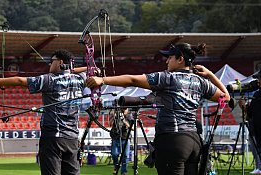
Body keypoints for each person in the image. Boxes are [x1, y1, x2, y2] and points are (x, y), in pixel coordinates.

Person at [86, 43, 230, 175]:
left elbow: (133, 80)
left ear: (180, 59)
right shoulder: (200, 81)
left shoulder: (167, 78)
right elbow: (226, 97)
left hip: (172, 140)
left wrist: (102, 80)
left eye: (170, 57)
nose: (167, 61)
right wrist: (210, 74)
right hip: (194, 141)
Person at [0, 49, 87, 175]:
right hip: (72, 139)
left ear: (60, 62)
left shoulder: (49, 80)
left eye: (51, 61)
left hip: (53, 138)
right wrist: (68, 69)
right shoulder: (81, 79)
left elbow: (20, 81)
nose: (49, 64)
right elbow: (90, 70)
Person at [239, 70, 261, 174]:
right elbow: (249, 115)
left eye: (259, 78)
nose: (258, 81)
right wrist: (243, 107)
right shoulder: (257, 94)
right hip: (257, 133)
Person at [109, 108, 132, 175]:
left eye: (125, 109)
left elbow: (132, 128)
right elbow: (110, 124)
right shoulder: (114, 114)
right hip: (115, 138)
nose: (124, 110)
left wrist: (123, 120)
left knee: (125, 156)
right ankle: (116, 165)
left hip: (125, 138)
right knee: (114, 154)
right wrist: (114, 117)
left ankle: (124, 171)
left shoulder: (129, 116)